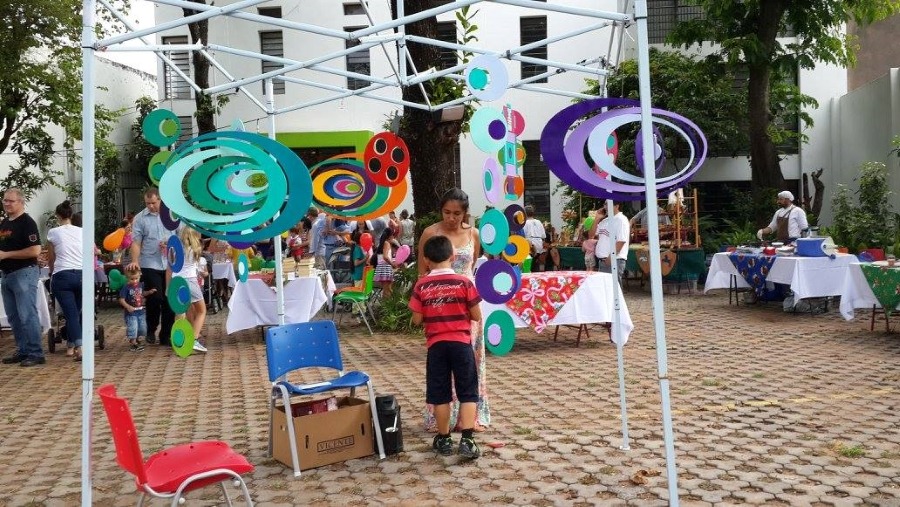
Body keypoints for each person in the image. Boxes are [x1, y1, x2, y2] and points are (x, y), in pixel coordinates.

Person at [418, 188, 490, 431]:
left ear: (465, 213)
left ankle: (469, 418)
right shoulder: (430, 233)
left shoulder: (474, 234)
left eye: (456, 213)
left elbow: (471, 267)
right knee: (441, 365)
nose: (451, 218)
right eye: (446, 212)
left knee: (469, 363)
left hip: (468, 307)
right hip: (441, 309)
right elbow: (422, 273)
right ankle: (442, 420)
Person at [409, 235, 483, 459]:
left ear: (426, 260)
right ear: (452, 256)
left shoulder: (421, 285)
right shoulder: (464, 283)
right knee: (468, 392)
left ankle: (444, 438)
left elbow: (417, 319)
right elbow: (476, 315)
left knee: (440, 394)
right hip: (461, 344)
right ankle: (468, 440)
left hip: (436, 346)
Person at [128, 187, 179, 346]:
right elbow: (136, 242)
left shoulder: (173, 214)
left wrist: (172, 246)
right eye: (147, 203)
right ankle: (151, 328)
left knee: (169, 300)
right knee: (155, 297)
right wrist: (135, 260)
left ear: (160, 200)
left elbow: (181, 237)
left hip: (171, 262)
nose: (150, 206)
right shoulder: (140, 218)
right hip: (150, 262)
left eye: (153, 203)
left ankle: (166, 335)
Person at [0, 189, 44, 367]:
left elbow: (35, 250)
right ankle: (23, 349)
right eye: (5, 200)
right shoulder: (4, 223)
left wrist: (6, 255)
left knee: (27, 314)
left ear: (21, 202)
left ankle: (36, 352)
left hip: (24, 272)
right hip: (7, 274)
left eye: (11, 201)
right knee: (13, 316)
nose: (7, 203)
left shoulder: (27, 222)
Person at [46, 200, 84, 361]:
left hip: (63, 275)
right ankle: (70, 345)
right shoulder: (82, 231)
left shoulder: (54, 232)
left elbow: (51, 256)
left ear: (58, 216)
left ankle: (79, 347)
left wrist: (51, 271)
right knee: (77, 311)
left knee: (70, 314)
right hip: (82, 274)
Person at [168, 227, 208, 353]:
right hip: (190, 280)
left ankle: (178, 342)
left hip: (176, 281)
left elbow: (171, 265)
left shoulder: (175, 250)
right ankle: (194, 339)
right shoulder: (195, 249)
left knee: (180, 313)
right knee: (201, 311)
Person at [119, 266, 155, 352]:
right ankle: (133, 343)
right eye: (132, 279)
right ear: (127, 278)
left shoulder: (140, 285)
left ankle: (137, 339)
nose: (134, 281)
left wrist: (149, 292)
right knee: (133, 327)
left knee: (142, 328)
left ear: (139, 276)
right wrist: (128, 307)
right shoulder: (126, 288)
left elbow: (142, 294)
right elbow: (121, 299)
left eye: (136, 278)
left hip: (141, 311)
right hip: (131, 313)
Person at [594, 200, 630, 284]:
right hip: (603, 260)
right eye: (604, 204)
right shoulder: (604, 221)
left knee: (614, 290)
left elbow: (621, 241)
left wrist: (611, 258)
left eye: (607, 204)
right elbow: (591, 235)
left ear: (616, 206)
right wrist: (596, 219)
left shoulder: (621, 220)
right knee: (607, 290)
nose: (605, 207)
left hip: (614, 260)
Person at [372, 228, 398, 297]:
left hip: (381, 268)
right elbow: (385, 257)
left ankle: (385, 305)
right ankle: (389, 304)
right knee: (388, 290)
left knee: (386, 289)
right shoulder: (387, 243)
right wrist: (392, 264)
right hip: (385, 268)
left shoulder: (381, 243)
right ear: (390, 236)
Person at [522, 205, 546, 271]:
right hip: (539, 243)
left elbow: (522, 235)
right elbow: (543, 235)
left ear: (524, 213)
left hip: (530, 243)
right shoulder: (539, 222)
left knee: (528, 261)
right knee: (535, 261)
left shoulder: (525, 223)